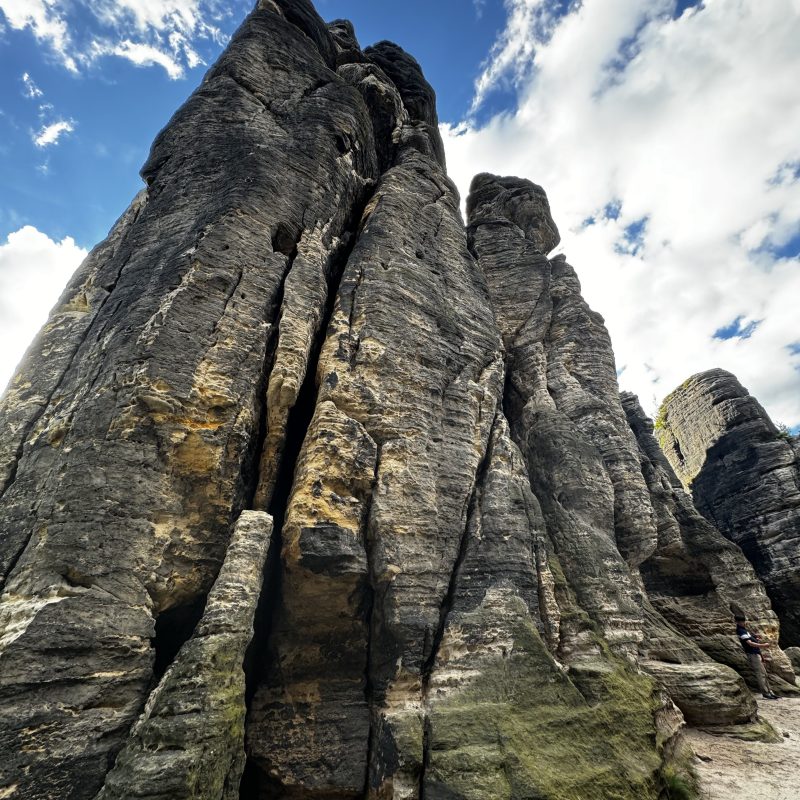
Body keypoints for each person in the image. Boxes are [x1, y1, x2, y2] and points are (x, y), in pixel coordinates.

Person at [735, 614, 778, 699]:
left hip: (756, 654)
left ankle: (770, 692)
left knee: (764, 674)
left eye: (743, 621)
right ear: (737, 622)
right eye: (741, 622)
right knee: (760, 674)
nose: (743, 623)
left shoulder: (744, 630)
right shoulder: (740, 631)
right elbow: (750, 643)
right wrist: (763, 645)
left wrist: (755, 636)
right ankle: (765, 693)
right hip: (752, 654)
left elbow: (750, 638)